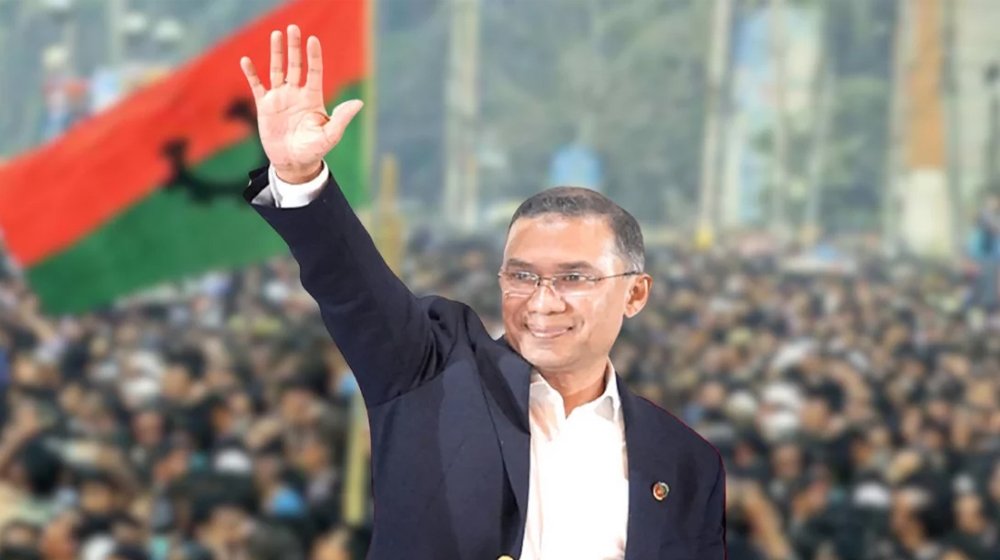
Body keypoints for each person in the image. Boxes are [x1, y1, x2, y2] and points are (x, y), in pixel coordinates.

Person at [237, 24, 725, 560]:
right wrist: (300, 176)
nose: (543, 301)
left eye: (574, 278)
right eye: (522, 276)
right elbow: (351, 286)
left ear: (635, 294)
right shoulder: (431, 372)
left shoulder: (684, 461)